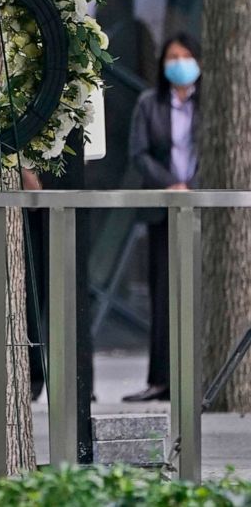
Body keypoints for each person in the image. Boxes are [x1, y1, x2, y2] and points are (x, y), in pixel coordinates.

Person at [123, 33, 201, 402]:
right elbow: (139, 153)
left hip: (205, 208)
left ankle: (202, 375)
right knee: (164, 293)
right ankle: (162, 379)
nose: (180, 62)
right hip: (163, 208)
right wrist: (173, 185)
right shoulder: (149, 103)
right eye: (174, 56)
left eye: (187, 56)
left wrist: (196, 187)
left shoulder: (213, 105)